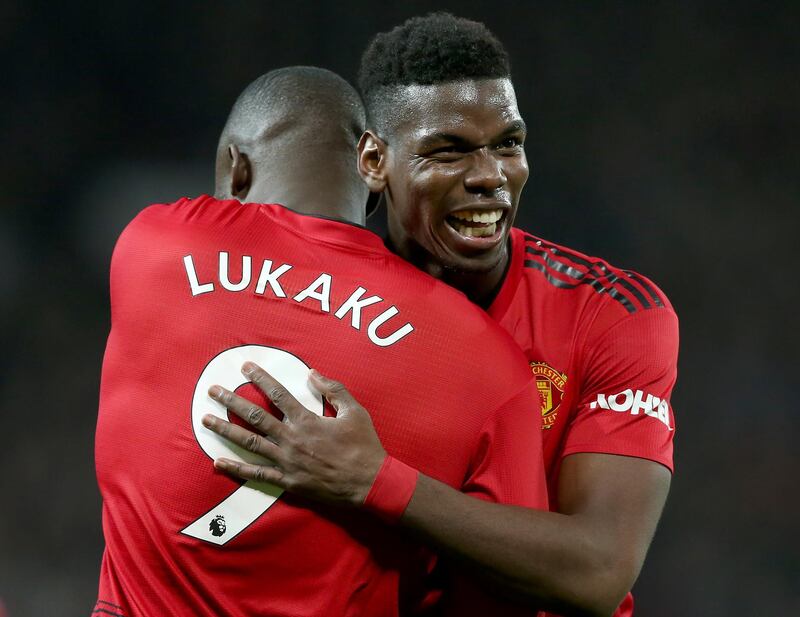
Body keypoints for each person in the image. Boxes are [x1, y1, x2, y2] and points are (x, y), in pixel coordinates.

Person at [204, 14, 678, 617]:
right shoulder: (317, 301)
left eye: (508, 143)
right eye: (449, 151)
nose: (489, 177)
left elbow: (599, 571)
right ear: (373, 159)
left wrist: (376, 480)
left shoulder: (610, 313)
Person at [93, 66, 548, 617]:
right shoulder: (484, 357)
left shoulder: (153, 246)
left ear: (235, 170)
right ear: (370, 188)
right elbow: (520, 587)